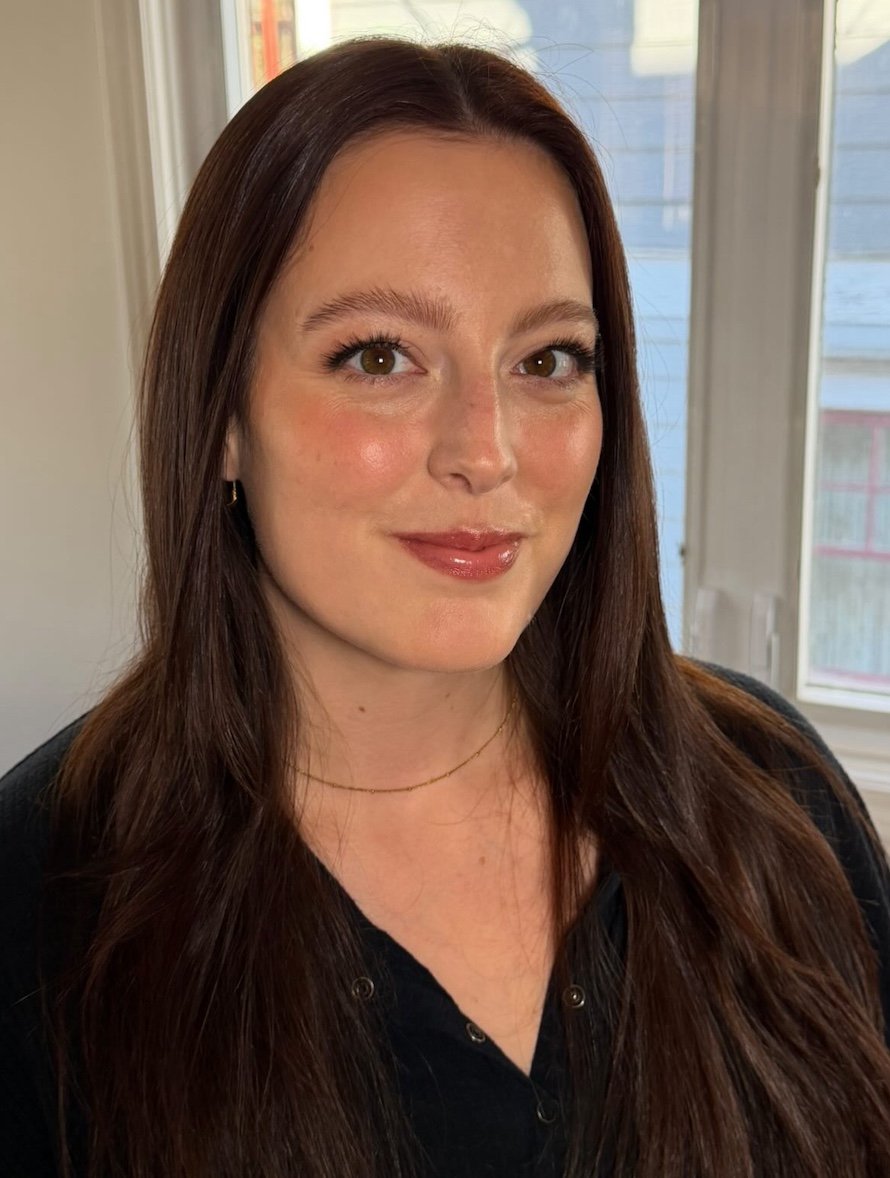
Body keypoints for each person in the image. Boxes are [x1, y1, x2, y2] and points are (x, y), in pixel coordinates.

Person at [1, 35, 889, 1178]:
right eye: (378, 356)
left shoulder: (770, 796)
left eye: (547, 359)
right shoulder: (39, 905)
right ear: (220, 416)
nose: (486, 449)